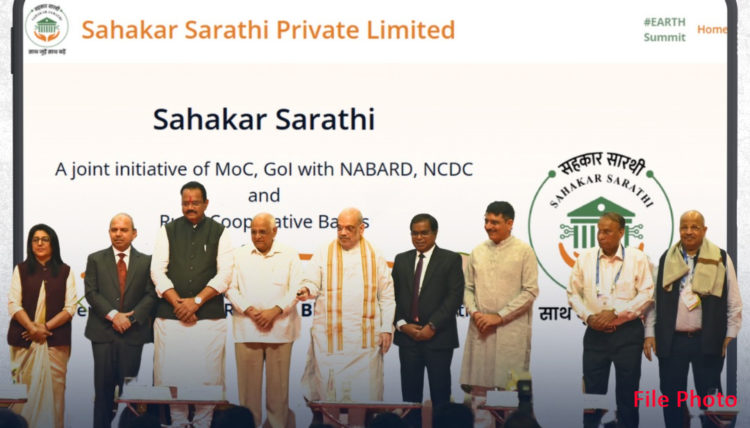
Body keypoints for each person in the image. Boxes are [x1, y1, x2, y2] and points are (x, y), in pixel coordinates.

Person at [643, 210, 742, 428]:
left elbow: (734, 299)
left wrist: (730, 334)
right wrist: (649, 333)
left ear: (704, 230)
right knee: (671, 399)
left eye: (695, 227)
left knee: (711, 399)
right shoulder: (666, 258)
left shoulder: (721, 258)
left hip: (707, 339)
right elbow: (654, 300)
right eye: (684, 227)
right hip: (672, 341)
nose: (688, 232)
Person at [150, 181, 233, 428]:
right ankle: (177, 422)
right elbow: (157, 270)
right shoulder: (168, 230)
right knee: (173, 375)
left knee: (207, 376)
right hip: (171, 317)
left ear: (206, 203)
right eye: (185, 203)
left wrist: (196, 302)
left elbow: (225, 274)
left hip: (207, 319)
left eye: (195, 202)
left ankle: (203, 423)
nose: (190, 207)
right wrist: (179, 304)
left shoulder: (220, 231)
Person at [297, 207, 395, 402]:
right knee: (329, 394)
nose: (343, 232)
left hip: (365, 342)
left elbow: (386, 295)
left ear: (361, 228)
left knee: (365, 396)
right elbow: (311, 281)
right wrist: (306, 290)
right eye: (339, 227)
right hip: (330, 341)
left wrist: (386, 328)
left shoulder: (374, 253)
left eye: (349, 228)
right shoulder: (324, 251)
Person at [567, 212, 654, 428]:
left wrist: (616, 313)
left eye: (607, 231)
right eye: (599, 231)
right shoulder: (585, 259)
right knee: (592, 396)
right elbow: (573, 293)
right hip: (595, 334)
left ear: (621, 232)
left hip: (627, 334)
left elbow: (646, 294)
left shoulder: (637, 258)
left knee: (628, 396)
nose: (600, 236)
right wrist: (589, 316)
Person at [459, 201, 539, 428]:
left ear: (509, 223)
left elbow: (530, 291)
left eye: (494, 222)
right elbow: (468, 288)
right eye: (486, 221)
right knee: (479, 395)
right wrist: (475, 312)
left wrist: (499, 316)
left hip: (509, 332)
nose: (488, 226)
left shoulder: (524, 251)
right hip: (481, 330)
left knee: (509, 396)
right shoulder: (478, 251)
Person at [225, 213, 301, 428]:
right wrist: (249, 310)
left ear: (274, 232)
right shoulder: (239, 255)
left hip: (281, 330)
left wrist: (275, 311)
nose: (257, 236)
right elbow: (230, 287)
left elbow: (297, 288)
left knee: (279, 394)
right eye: (253, 232)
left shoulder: (289, 254)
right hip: (247, 329)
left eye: (262, 232)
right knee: (248, 395)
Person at [84, 213, 157, 428]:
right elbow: (91, 292)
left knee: (130, 393)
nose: (118, 234)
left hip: (132, 334)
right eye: (114, 229)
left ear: (134, 234)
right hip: (103, 334)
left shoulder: (147, 261)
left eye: (124, 230)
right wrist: (114, 315)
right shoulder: (95, 259)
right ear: (109, 232)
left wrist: (130, 318)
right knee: (103, 393)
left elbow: (151, 294)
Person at [391, 213, 464, 427]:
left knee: (441, 399)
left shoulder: (450, 259)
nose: (419, 237)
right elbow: (391, 297)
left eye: (424, 233)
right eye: (414, 233)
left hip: (438, 338)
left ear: (435, 233)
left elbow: (454, 296)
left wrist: (432, 326)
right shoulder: (401, 259)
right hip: (408, 339)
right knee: (410, 400)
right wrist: (402, 325)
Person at [7, 224, 77, 428]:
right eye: (35, 239)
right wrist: (31, 328)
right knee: (23, 396)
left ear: (53, 243)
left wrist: (44, 328)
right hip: (24, 343)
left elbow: (70, 308)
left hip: (55, 344)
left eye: (44, 239)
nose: (39, 243)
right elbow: (13, 304)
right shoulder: (21, 270)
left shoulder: (65, 271)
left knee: (55, 397)